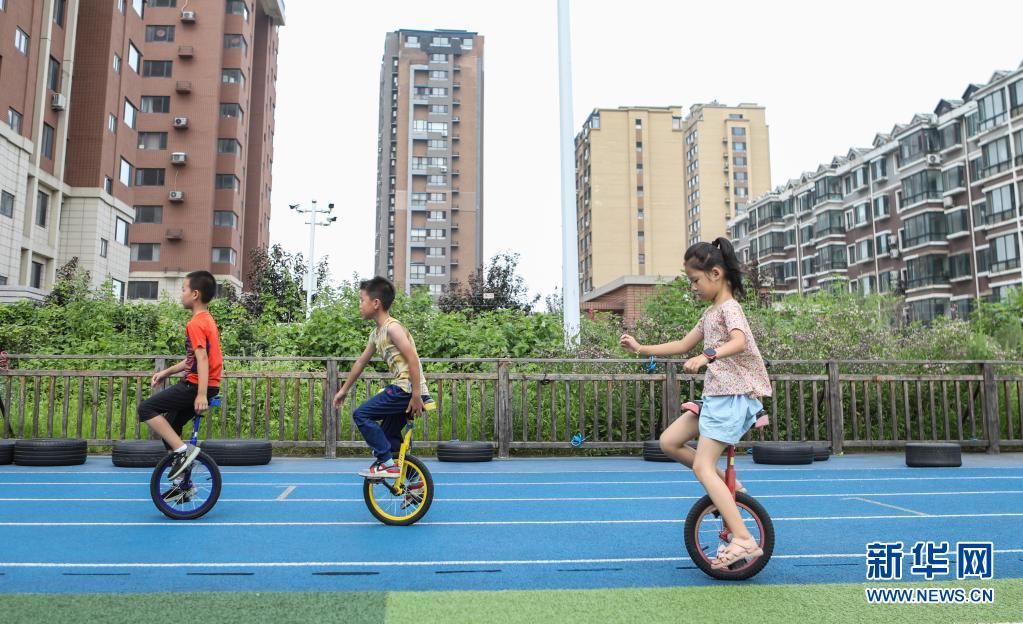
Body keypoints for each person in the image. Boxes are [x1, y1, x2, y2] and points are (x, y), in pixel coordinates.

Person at [620, 238, 772, 569]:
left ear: (715, 273)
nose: (693, 287)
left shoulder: (730, 308)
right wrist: (641, 348)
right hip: (715, 398)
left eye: (695, 280)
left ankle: (744, 538)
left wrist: (707, 356)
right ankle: (728, 486)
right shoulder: (709, 314)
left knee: (702, 467)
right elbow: (681, 344)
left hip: (733, 398)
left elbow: (740, 341)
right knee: (669, 442)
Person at [332, 276, 432, 480]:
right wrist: (343, 390)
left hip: (406, 389)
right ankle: (413, 483)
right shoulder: (376, 334)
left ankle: (387, 464)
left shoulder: (393, 328)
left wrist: (416, 395)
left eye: (362, 300)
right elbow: (360, 362)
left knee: (361, 415)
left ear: (376, 303)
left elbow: (413, 359)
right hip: (406, 390)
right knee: (388, 437)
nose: (359, 305)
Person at [138, 271, 223, 481]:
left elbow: (202, 359)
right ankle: (183, 483)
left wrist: (201, 394)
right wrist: (166, 372)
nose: (180, 294)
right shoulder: (208, 320)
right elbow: (192, 360)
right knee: (171, 426)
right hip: (207, 384)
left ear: (195, 294)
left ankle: (184, 452)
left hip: (195, 386)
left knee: (146, 408)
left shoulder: (196, 323)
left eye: (183, 289)